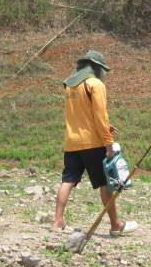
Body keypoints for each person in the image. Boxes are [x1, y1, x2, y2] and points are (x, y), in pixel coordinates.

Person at [53, 50, 139, 237]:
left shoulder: (71, 85)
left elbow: (79, 115)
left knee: (68, 180)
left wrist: (105, 126)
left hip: (71, 142)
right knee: (105, 183)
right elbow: (100, 115)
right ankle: (116, 224)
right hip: (92, 143)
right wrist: (108, 142)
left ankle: (57, 222)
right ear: (96, 68)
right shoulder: (95, 84)